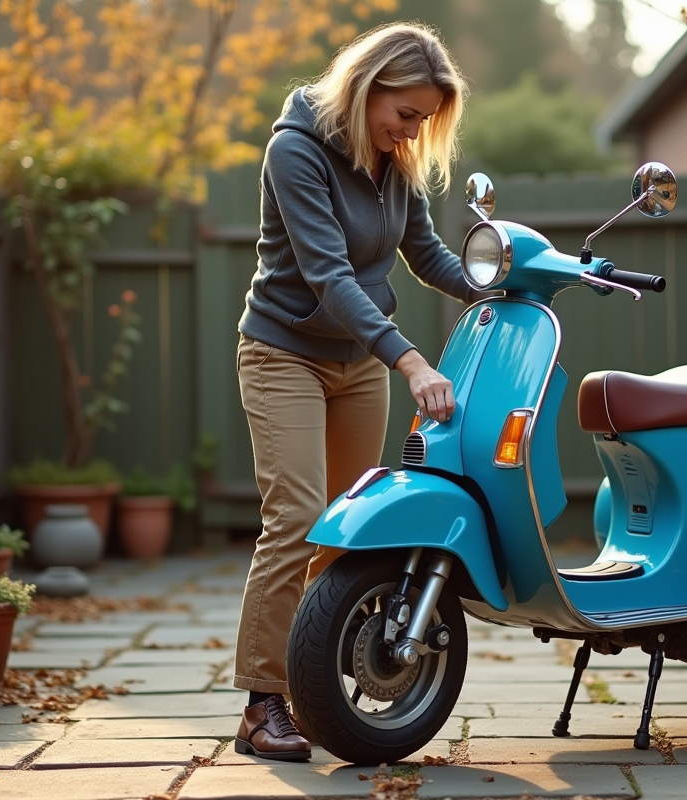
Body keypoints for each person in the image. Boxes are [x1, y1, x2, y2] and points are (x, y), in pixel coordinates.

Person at [232, 22, 481, 762]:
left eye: (423, 120)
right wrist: (410, 360)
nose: (411, 131)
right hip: (284, 354)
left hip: (356, 362)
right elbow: (329, 276)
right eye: (404, 113)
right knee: (298, 517)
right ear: (370, 85)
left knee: (350, 530)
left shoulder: (392, 160)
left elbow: (425, 251)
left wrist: (494, 287)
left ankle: (313, 693)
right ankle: (260, 703)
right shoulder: (295, 150)